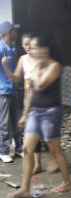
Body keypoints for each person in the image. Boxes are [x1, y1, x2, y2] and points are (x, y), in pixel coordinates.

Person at [7, 34, 71, 198]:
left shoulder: (54, 66)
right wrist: (25, 114)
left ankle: (67, 183)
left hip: (51, 112)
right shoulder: (35, 64)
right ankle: (24, 189)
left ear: (45, 49)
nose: (32, 50)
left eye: (36, 47)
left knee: (54, 150)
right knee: (27, 149)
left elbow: (40, 84)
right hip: (36, 112)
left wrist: (34, 68)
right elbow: (30, 92)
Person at [2, 33, 59, 174]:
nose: (28, 47)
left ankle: (56, 161)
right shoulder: (23, 59)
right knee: (33, 137)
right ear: (22, 46)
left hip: (46, 102)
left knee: (50, 137)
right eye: (25, 44)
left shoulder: (44, 59)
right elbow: (15, 79)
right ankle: (37, 164)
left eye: (31, 45)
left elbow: (43, 83)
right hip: (29, 100)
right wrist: (6, 66)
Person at [0, 21, 22, 163]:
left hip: (13, 89)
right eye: (14, 31)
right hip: (3, 91)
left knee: (16, 120)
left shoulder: (13, 48)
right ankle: (3, 151)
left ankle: (19, 148)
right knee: (4, 122)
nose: (16, 33)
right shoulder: (1, 48)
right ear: (8, 33)